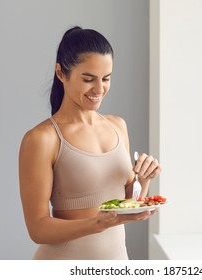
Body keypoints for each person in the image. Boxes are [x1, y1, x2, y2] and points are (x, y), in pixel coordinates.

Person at [18, 26, 162, 260]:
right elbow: (38, 228)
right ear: (60, 73)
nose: (99, 89)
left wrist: (142, 180)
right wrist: (97, 223)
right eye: (88, 79)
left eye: (106, 79)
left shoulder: (118, 126)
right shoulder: (42, 139)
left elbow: (127, 203)